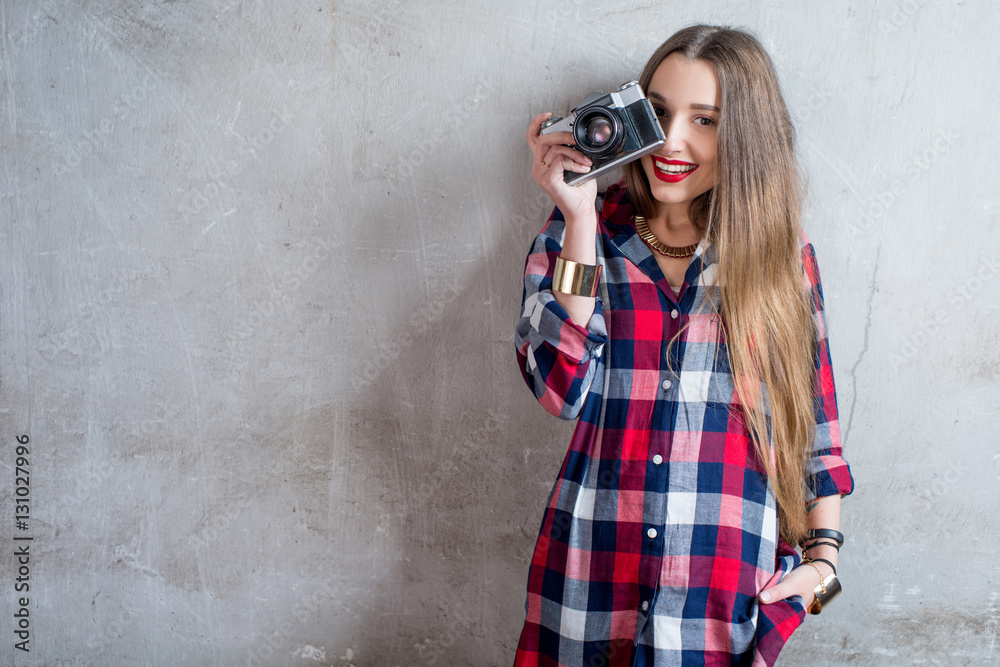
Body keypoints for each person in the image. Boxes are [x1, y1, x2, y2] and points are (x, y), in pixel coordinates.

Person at [512, 25, 854, 667]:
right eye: (658, 112)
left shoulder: (781, 259)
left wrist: (822, 576)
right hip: (588, 587)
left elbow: (817, 432)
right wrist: (580, 220)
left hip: (724, 607)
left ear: (746, 137)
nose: (672, 141)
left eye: (706, 120)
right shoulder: (580, 234)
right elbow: (561, 387)